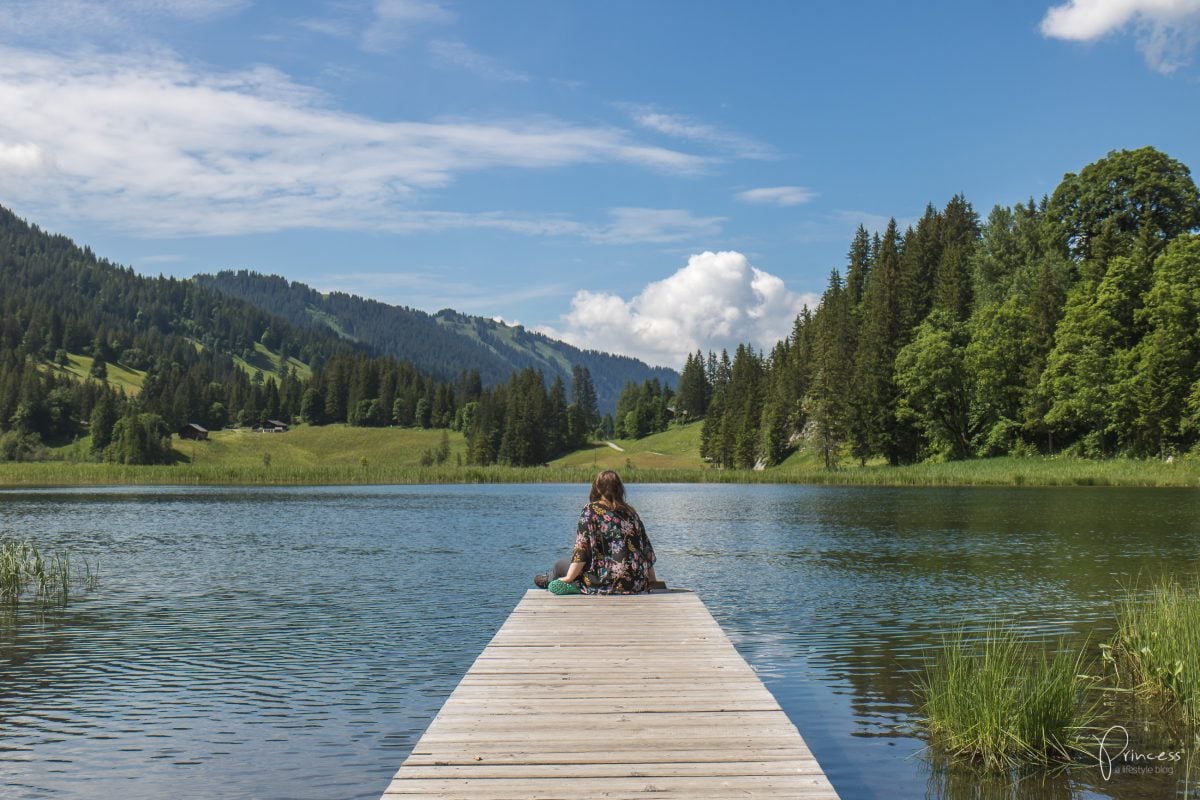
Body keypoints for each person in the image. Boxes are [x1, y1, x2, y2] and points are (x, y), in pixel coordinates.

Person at [538, 470, 660, 595]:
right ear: (620, 489)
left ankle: (553, 580)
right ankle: (561, 581)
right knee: (575, 568)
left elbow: (582, 550)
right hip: (636, 584)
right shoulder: (631, 513)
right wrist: (652, 580)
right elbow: (646, 550)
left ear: (597, 488)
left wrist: (568, 578)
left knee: (560, 565)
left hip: (605, 582)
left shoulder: (591, 511)